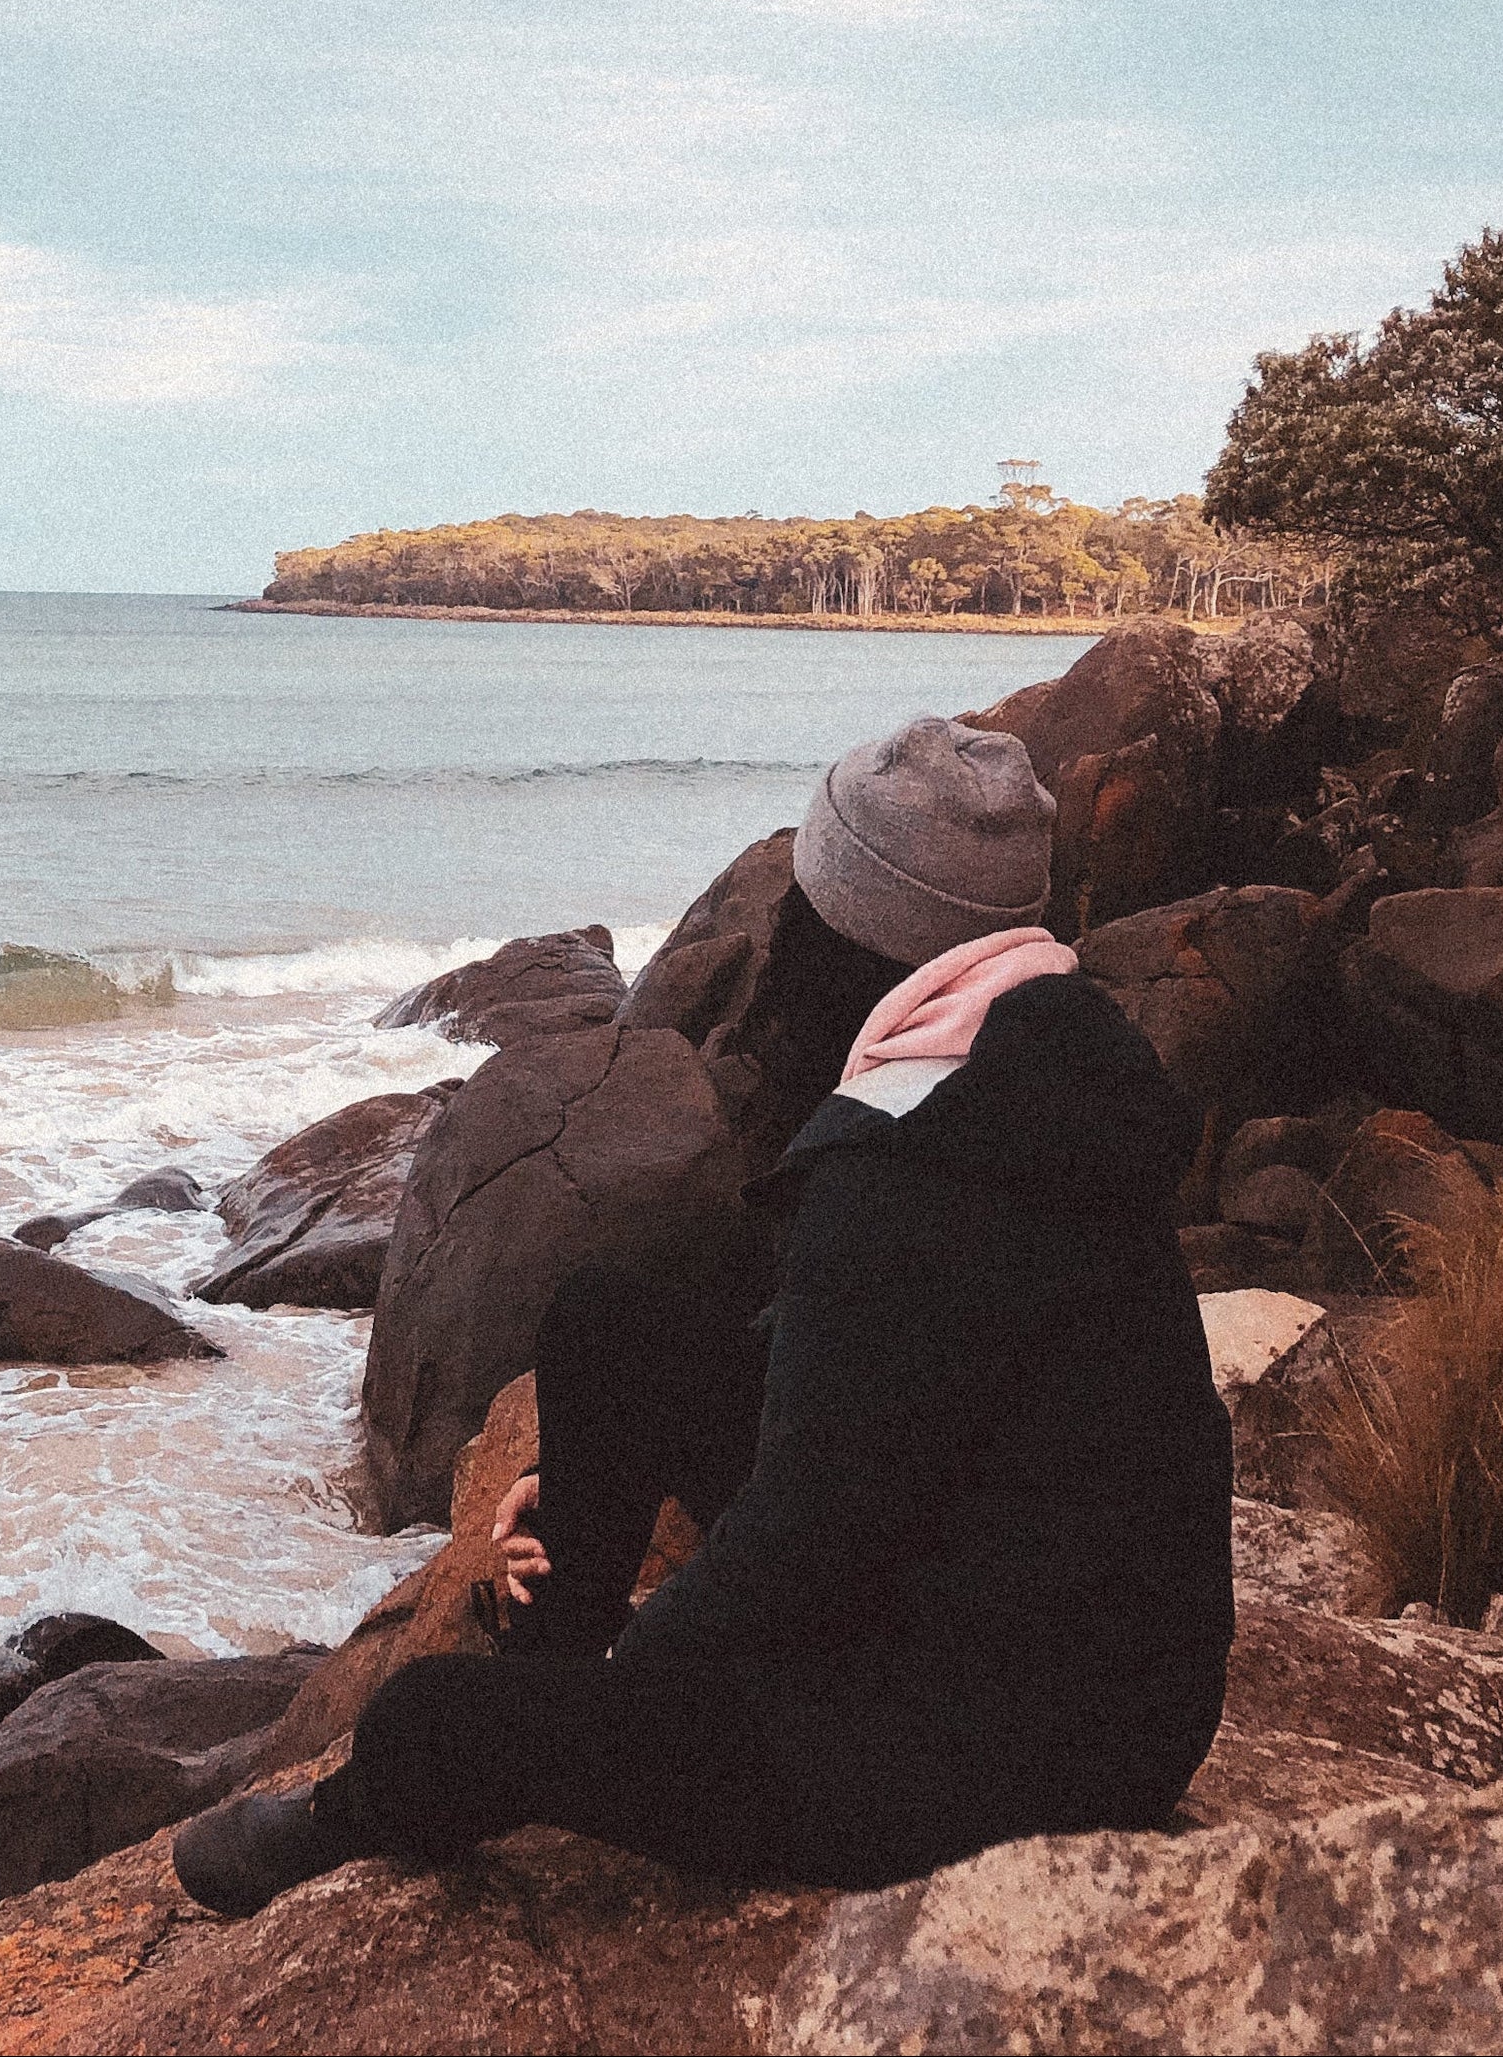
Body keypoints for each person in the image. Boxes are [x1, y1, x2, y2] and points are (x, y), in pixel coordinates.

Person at [175, 716, 1234, 1907]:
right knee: (613, 1327)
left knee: (435, 1719)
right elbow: (897, 1370)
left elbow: (813, 1531)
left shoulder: (901, 1162)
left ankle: (363, 1810)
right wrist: (584, 1483)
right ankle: (552, 1629)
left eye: (807, 893)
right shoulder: (1047, 1057)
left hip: (1004, 1752)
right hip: (1059, 1639)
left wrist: (628, 1683)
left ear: (850, 930)